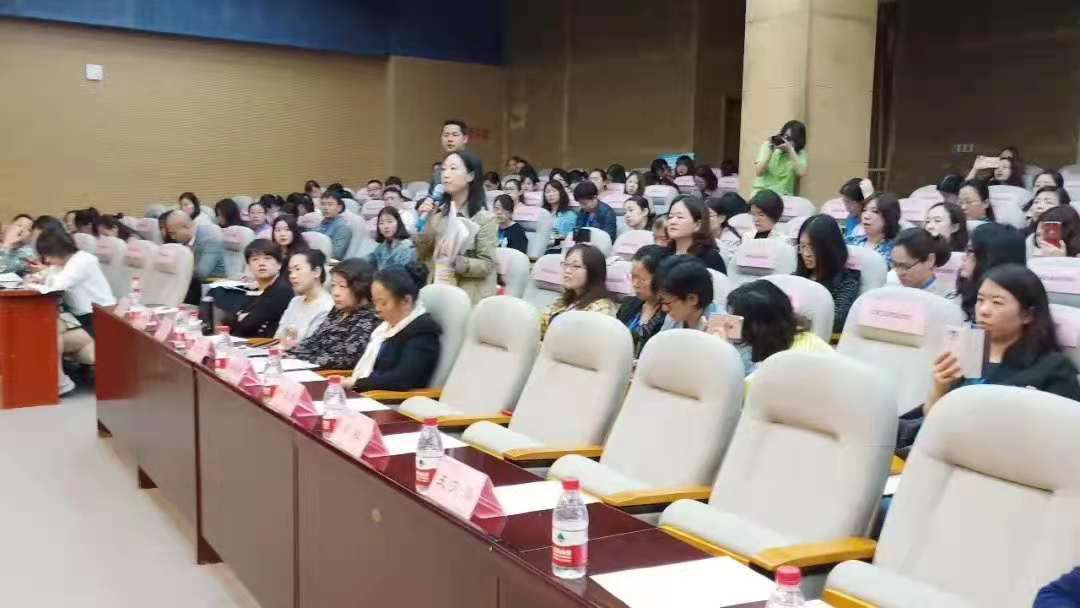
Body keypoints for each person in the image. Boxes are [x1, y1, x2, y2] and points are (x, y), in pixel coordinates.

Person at [923, 264, 1080, 416]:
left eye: (997, 302)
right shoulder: (963, 351)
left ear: (1027, 315)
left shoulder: (1054, 368)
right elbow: (931, 420)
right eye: (980, 300)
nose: (983, 310)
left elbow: (1063, 427)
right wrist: (939, 389)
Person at [33, 228, 115, 392]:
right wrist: (41, 277)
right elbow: (44, 275)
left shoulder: (83, 261)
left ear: (58, 250)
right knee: (44, 328)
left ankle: (59, 382)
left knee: (48, 334)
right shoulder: (65, 263)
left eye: (48, 255)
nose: (47, 260)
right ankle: (53, 379)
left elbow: (58, 283)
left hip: (99, 320)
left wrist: (44, 278)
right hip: (79, 317)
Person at [414, 149, 498, 304]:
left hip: (468, 295)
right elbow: (422, 256)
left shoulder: (485, 219)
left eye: (453, 168)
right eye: (444, 169)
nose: (446, 175)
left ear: (470, 176)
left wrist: (457, 262)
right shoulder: (438, 216)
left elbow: (487, 264)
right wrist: (428, 223)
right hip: (438, 289)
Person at [345, 264, 442, 392]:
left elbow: (401, 380)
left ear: (406, 301)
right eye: (375, 302)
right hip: (368, 393)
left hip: (391, 400)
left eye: (383, 303)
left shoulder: (423, 332)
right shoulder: (384, 328)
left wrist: (357, 383)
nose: (377, 309)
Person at [287, 258, 380, 370]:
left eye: (342, 286)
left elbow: (346, 360)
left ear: (361, 287)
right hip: (306, 366)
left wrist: (302, 360)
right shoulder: (338, 310)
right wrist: (290, 353)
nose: (335, 293)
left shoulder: (369, 318)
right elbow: (313, 340)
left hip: (328, 374)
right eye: (333, 285)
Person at [725, 280, 831, 375]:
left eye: (737, 321)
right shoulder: (800, 337)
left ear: (757, 328)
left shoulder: (781, 367)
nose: (730, 325)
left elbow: (739, 387)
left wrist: (725, 354)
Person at [796, 214, 862, 333]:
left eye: (813, 247)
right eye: (802, 246)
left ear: (830, 248)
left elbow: (835, 321)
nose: (806, 253)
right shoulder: (796, 277)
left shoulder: (847, 282)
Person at [539, 244, 617, 338]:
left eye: (576, 266)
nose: (567, 270)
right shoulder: (563, 300)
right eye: (566, 264)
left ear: (593, 272)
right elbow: (539, 327)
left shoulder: (602, 308)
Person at [221, 240, 294, 338]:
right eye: (255, 259)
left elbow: (248, 327)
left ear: (279, 264)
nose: (261, 263)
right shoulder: (257, 290)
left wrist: (243, 318)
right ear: (248, 266)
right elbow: (228, 320)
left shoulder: (282, 290)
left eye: (267, 258)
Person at [954, 223, 1026, 321]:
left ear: (989, 257)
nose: (963, 257)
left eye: (970, 251)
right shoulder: (960, 295)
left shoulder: (1013, 308)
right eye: (965, 250)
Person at [617, 245, 672, 358]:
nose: (635, 284)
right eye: (633, 277)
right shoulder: (628, 304)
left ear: (661, 279)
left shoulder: (671, 314)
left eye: (642, 279)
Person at [164, 211, 226, 305]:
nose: (172, 237)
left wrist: (177, 270)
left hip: (214, 285)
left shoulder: (210, 237)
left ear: (186, 227)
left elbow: (202, 273)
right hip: (195, 285)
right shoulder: (184, 240)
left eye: (173, 233)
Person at [275, 249, 334, 347]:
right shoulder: (295, 301)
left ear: (316, 272)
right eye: (290, 271)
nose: (292, 276)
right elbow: (277, 337)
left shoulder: (328, 307)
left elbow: (310, 348)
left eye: (297, 269)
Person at [665, 195, 726, 272]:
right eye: (670, 217)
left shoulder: (710, 258)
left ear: (698, 225)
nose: (672, 222)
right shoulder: (664, 255)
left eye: (680, 217)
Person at [654, 255, 715, 331]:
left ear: (692, 299)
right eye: (662, 301)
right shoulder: (674, 316)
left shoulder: (718, 326)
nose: (664, 309)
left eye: (667, 303)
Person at [889, 228, 953, 297]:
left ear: (930, 260)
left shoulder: (946, 298)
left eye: (905, 266)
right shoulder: (891, 291)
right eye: (895, 265)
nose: (899, 273)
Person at [753, 120, 808, 196]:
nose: (786, 141)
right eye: (785, 137)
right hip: (763, 192)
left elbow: (800, 172)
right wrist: (771, 150)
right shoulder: (769, 145)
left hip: (784, 195)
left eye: (790, 139)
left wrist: (790, 150)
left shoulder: (800, 153)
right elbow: (759, 172)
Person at [846, 192, 901, 267]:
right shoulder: (850, 241)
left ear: (889, 215)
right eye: (864, 210)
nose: (866, 216)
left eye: (875, 211)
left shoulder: (896, 250)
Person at [706, 193, 749, 269]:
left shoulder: (731, 239)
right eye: (701, 215)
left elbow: (729, 265)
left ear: (721, 218)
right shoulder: (702, 236)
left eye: (708, 215)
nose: (704, 219)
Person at [317, 190, 352, 260]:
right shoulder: (321, 223)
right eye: (322, 204)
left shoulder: (343, 228)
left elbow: (336, 254)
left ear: (339, 208)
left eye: (330, 204)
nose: (325, 208)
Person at [542, 180, 577, 245]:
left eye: (554, 191)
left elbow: (564, 238)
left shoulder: (570, 215)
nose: (550, 194)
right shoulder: (542, 213)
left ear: (561, 193)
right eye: (547, 192)